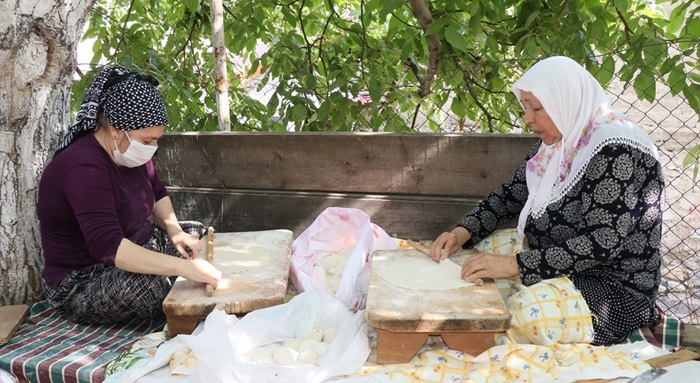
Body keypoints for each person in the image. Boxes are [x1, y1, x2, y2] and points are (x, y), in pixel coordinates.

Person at [429, 56, 664, 346]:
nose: (528, 118)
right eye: (525, 107)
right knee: (467, 260)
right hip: (555, 262)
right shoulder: (560, 142)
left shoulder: (616, 150)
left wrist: (513, 265)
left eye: (537, 108)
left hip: (612, 288)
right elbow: (510, 195)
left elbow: (602, 242)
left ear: (564, 102)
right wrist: (459, 233)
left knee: (525, 313)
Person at [37, 66, 222, 324]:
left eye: (157, 139)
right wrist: (185, 268)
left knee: (196, 233)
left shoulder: (129, 152)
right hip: (85, 280)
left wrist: (175, 231)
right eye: (147, 141)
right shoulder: (83, 169)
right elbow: (108, 247)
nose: (152, 147)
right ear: (115, 130)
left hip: (140, 243)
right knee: (151, 286)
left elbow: (157, 192)